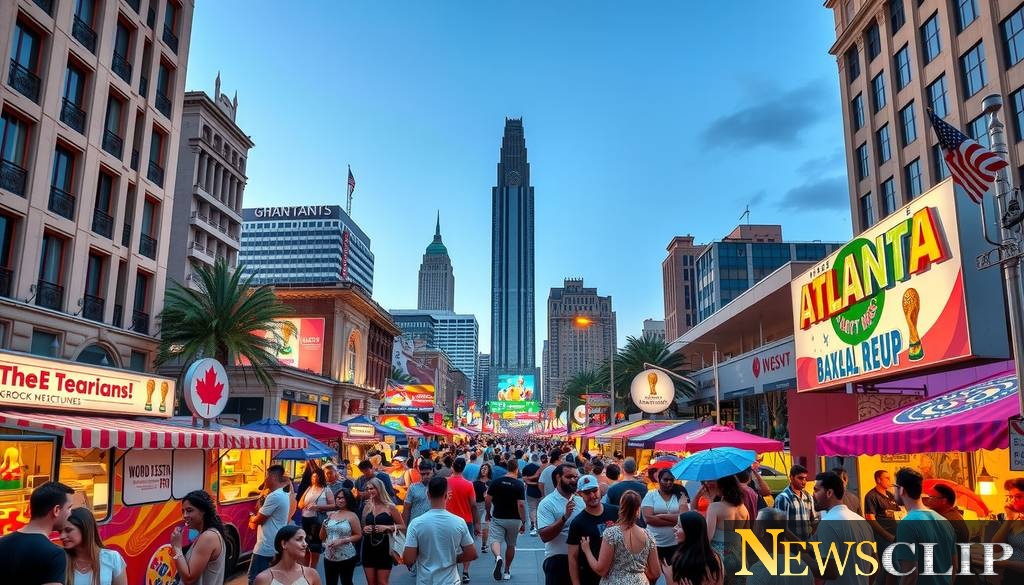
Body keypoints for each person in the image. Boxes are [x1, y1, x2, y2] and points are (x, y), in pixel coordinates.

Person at [404, 476, 479, 585]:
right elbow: (472, 554)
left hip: (425, 581)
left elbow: (408, 559)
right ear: (447, 495)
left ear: (428, 495)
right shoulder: (459, 522)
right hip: (451, 581)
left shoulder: (416, 524)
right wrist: (454, 559)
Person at [579, 490, 661, 585]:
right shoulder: (649, 535)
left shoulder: (611, 534)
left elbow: (601, 570)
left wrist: (587, 550)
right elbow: (656, 573)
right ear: (638, 509)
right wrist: (639, 571)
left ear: (621, 508)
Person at [0, 481, 74, 585]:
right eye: (69, 508)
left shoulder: (2, 543)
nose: (71, 513)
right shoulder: (54, 554)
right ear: (56, 510)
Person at [891, 467, 956, 585]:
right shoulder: (944, 521)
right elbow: (954, 566)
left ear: (901, 490)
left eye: (894, 487)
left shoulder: (907, 524)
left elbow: (910, 575)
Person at [811, 472, 874, 585]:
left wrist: (801, 557)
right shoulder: (863, 522)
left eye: (816, 490)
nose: (812, 495)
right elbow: (874, 567)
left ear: (829, 493)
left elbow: (829, 572)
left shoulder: (828, 523)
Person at [567, 475, 619, 585]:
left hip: (617, 576)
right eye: (587, 493)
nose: (592, 496)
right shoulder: (577, 523)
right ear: (580, 494)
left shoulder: (615, 512)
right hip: (591, 577)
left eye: (594, 491)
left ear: (599, 490)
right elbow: (573, 557)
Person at [537, 463, 584, 585]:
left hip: (582, 560)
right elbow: (544, 536)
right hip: (559, 561)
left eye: (576, 477)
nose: (573, 480)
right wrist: (564, 518)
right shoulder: (547, 503)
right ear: (558, 478)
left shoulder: (581, 500)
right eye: (569, 477)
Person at [169, 490, 226, 585]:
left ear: (203, 511)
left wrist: (177, 547)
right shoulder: (205, 534)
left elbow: (189, 579)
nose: (185, 516)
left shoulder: (208, 537)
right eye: (183, 511)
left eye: (189, 510)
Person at [249, 465, 292, 585]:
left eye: (266, 477)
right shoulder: (281, 494)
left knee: (255, 578)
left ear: (272, 477)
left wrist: (251, 518)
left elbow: (259, 519)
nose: (265, 480)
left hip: (265, 546)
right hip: (273, 544)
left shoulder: (274, 496)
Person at [742, 509, 810, 585]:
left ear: (762, 532)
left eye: (755, 523)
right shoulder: (803, 567)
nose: (753, 527)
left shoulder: (758, 572)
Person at [61, 507, 127, 585]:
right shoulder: (61, 559)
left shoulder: (112, 558)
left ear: (85, 528)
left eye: (68, 530)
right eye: (60, 531)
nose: (61, 536)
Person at [486, 456, 526, 580]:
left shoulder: (496, 482)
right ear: (516, 469)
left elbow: (488, 500)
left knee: (495, 540)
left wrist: (488, 512)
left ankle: (498, 557)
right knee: (511, 545)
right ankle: (507, 571)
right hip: (514, 519)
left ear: (507, 468)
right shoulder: (519, 484)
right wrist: (523, 521)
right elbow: (521, 504)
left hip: (498, 516)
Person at [361, 477, 405, 585]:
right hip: (368, 546)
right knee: (371, 582)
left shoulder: (390, 507)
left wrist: (387, 527)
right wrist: (365, 529)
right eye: (368, 489)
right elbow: (363, 526)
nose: (369, 491)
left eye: (372, 488)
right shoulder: (367, 506)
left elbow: (403, 526)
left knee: (382, 582)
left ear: (379, 488)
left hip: (384, 547)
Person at [641, 469, 689, 567]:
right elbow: (648, 519)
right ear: (659, 480)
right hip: (653, 544)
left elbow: (684, 518)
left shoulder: (680, 495)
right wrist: (675, 521)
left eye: (671, 480)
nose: (669, 482)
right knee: (654, 572)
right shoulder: (651, 495)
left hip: (675, 544)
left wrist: (661, 516)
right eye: (665, 480)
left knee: (674, 572)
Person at [705, 475, 749, 580]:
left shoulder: (715, 507)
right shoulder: (744, 509)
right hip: (740, 556)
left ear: (722, 487)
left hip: (720, 557)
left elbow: (707, 537)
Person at [663, 511, 723, 585]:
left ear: (690, 532)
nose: (674, 528)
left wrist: (668, 576)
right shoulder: (715, 557)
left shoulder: (682, 559)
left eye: (679, 526)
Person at [253, 525, 323, 585]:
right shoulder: (264, 578)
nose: (305, 544)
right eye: (299, 539)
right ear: (284, 544)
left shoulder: (312, 574)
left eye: (305, 540)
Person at [447, 457, 480, 583]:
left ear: (452, 466)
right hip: (466, 520)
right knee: (467, 548)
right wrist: (477, 523)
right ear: (463, 468)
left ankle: (452, 571)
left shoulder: (445, 482)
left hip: (449, 520)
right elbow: (473, 505)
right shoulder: (469, 484)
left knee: (450, 547)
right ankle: (465, 572)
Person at [320, 488, 362, 585]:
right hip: (329, 556)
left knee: (346, 582)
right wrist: (323, 526)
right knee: (330, 583)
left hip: (347, 556)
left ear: (348, 499)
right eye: (338, 498)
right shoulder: (331, 515)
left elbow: (358, 535)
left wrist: (343, 540)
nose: (340, 500)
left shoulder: (352, 516)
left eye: (343, 498)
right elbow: (322, 537)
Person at [299, 464, 336, 568]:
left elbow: (333, 506)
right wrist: (305, 505)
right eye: (312, 477)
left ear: (320, 477)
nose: (313, 479)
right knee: (305, 543)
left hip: (317, 520)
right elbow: (300, 504)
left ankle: (313, 567)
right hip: (305, 519)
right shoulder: (309, 488)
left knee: (315, 545)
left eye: (315, 477)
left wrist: (318, 507)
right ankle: (306, 567)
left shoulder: (326, 490)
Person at [991, 478, 1024, 580]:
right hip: (1011, 576)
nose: (1013, 501)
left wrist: (1007, 563)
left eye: (1018, 496)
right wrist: (1009, 518)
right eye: (1011, 497)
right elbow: (996, 548)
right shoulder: (1016, 520)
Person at [772, 464, 816, 540]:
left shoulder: (808, 497)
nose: (804, 482)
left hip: (807, 542)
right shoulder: (783, 498)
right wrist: (799, 543)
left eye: (805, 479)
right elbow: (781, 526)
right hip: (790, 544)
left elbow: (813, 521)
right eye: (800, 478)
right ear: (791, 478)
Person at [863, 469, 901, 547]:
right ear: (878, 480)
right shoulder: (871, 496)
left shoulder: (890, 495)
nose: (890, 481)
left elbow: (899, 512)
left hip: (895, 535)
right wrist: (887, 536)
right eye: (887, 478)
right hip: (883, 539)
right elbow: (870, 518)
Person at [403, 459, 435, 527]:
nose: (425, 476)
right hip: (415, 525)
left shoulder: (437, 487)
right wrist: (404, 527)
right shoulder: (413, 488)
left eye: (428, 473)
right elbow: (406, 508)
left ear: (432, 471)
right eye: (423, 474)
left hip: (431, 526)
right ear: (419, 473)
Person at [475, 463, 494, 551]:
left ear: (489, 471)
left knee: (485, 525)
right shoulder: (475, 483)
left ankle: (484, 544)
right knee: (476, 524)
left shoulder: (491, 483)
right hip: (477, 505)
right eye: (482, 468)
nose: (483, 469)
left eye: (485, 468)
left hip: (487, 505)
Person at [522, 453, 542, 536]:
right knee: (539, 508)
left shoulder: (526, 468)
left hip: (530, 491)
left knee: (532, 508)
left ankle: (533, 524)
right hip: (540, 491)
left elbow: (524, 480)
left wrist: (529, 483)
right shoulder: (540, 468)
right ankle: (539, 524)